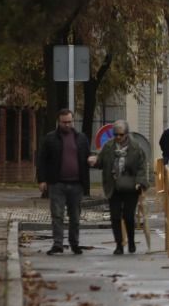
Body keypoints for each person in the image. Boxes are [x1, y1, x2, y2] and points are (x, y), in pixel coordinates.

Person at [91, 119, 148, 255]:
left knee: (128, 216)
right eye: (116, 134)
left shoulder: (135, 148)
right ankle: (119, 245)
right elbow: (101, 162)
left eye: (121, 135)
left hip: (130, 187)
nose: (118, 137)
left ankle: (131, 241)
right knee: (115, 216)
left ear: (126, 134)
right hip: (113, 186)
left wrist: (140, 182)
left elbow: (142, 166)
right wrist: (93, 161)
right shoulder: (109, 147)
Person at [37, 109, 89, 255]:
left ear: (73, 121)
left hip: (76, 184)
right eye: (64, 122)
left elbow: (86, 157)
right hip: (57, 183)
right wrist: (42, 180)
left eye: (69, 122)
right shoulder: (50, 138)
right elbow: (42, 160)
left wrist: (91, 161)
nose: (67, 125)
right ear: (58, 122)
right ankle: (58, 244)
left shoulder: (81, 138)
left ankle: (75, 243)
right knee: (57, 215)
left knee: (75, 217)